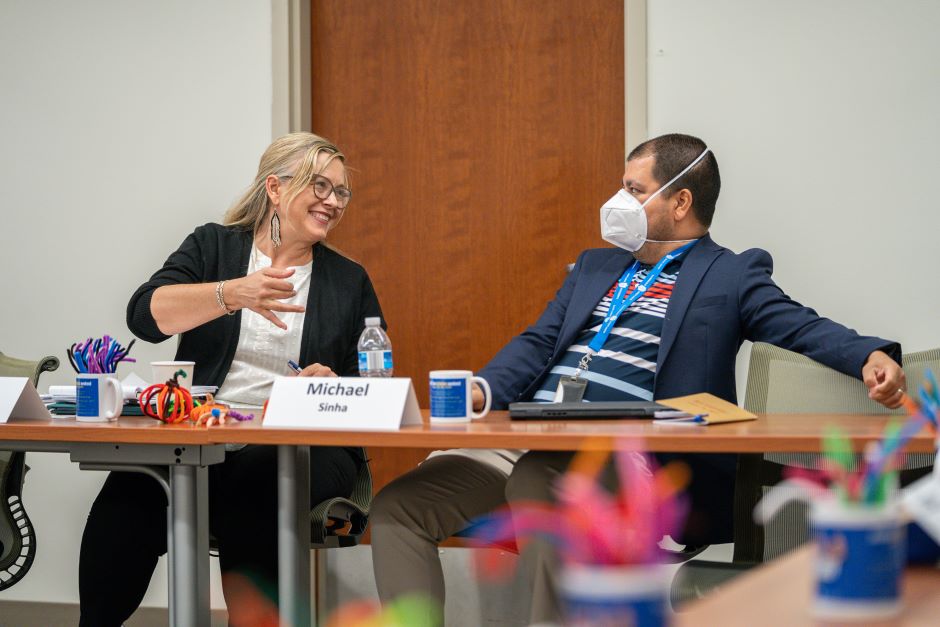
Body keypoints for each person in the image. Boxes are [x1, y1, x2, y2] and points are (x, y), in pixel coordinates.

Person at [370, 133, 905, 625]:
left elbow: (801, 326)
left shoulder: (729, 274)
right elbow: (538, 343)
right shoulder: (596, 266)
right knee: (399, 506)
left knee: (541, 481)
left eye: (634, 189)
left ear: (680, 202)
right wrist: (483, 390)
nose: (617, 202)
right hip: (529, 436)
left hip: (631, 457)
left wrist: (868, 357)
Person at [79, 132, 384, 626]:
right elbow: (145, 316)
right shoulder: (213, 247)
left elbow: (372, 384)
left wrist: (328, 382)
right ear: (276, 188)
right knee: (132, 490)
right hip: (202, 434)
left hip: (304, 445)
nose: (333, 202)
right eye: (321, 186)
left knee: (259, 476)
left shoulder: (349, 280)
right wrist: (230, 293)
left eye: (341, 192)